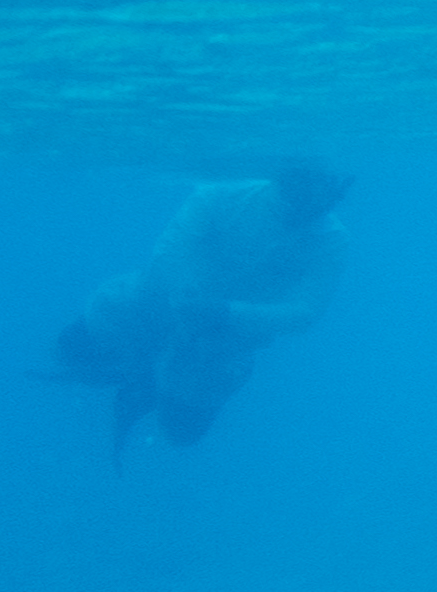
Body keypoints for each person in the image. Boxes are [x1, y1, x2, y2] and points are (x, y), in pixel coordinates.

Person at [54, 159, 350, 450]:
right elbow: (170, 251)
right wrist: (186, 295)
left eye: (320, 208)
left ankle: (147, 378)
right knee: (70, 348)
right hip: (157, 302)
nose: (306, 217)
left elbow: (306, 314)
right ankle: (149, 376)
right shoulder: (221, 195)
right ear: (282, 183)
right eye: (298, 204)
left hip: (227, 335)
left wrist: (226, 312)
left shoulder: (331, 239)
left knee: (183, 432)